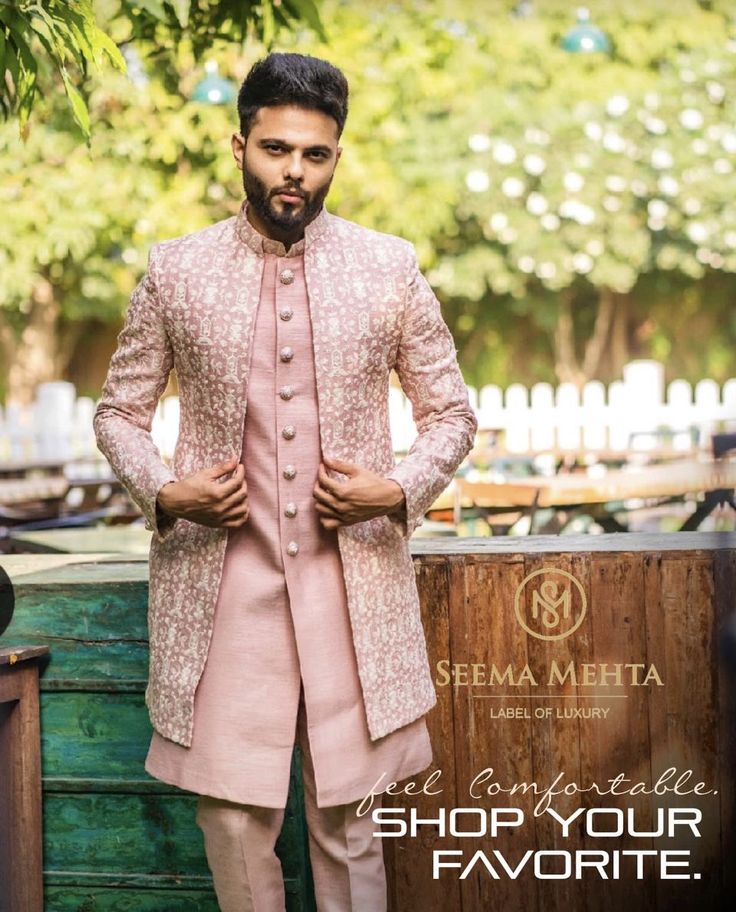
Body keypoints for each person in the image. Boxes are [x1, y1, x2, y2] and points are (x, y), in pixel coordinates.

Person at [93, 51, 477, 911]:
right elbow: (118, 413)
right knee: (232, 822)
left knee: (349, 826)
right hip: (223, 587)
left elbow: (452, 414)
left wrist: (398, 488)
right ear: (239, 147)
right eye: (275, 149)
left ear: (337, 155)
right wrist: (164, 491)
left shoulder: (389, 267)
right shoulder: (177, 270)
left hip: (354, 587)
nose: (293, 172)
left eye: (314, 154)